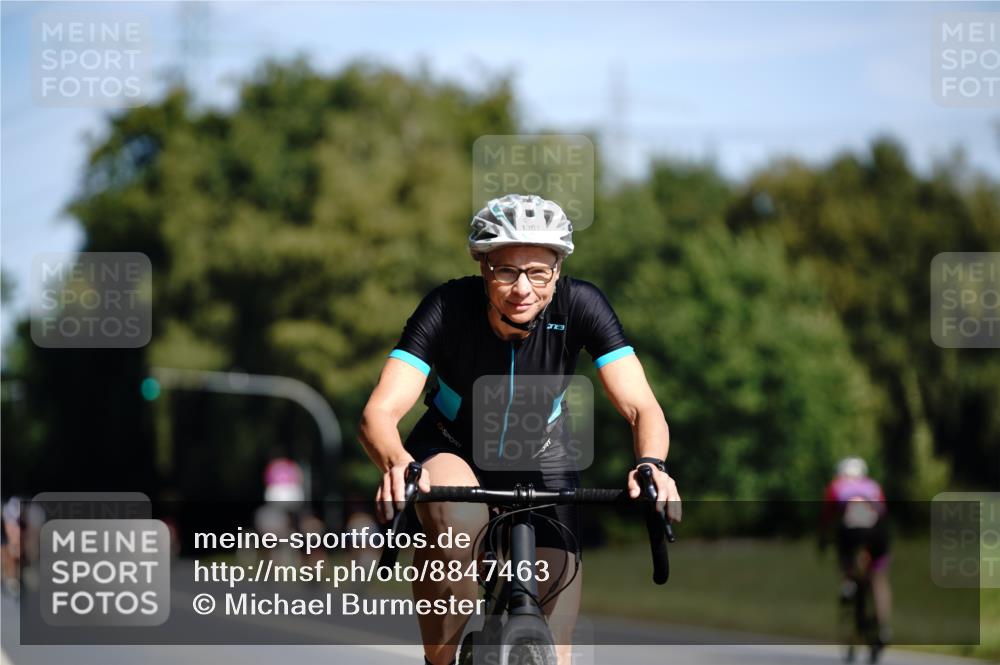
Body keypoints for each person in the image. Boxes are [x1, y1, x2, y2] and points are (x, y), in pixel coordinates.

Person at [359, 194, 682, 665]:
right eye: (506, 271)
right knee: (458, 520)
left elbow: (641, 405)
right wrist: (397, 461)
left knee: (558, 646)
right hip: (452, 447)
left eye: (538, 272)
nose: (522, 288)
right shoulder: (448, 307)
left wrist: (652, 464)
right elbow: (378, 413)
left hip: (545, 456)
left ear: (557, 270)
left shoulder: (581, 304)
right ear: (483, 266)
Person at [820, 456, 892, 648]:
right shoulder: (873, 486)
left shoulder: (836, 486)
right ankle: (883, 626)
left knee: (845, 553)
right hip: (877, 530)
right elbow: (883, 512)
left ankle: (848, 581)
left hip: (850, 529)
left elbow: (827, 517)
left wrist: (822, 541)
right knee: (878, 578)